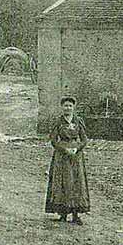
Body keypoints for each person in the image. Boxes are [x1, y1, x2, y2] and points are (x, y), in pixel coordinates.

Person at [44, 96, 90, 225]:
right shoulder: (58, 122)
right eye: (65, 106)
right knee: (62, 183)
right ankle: (63, 214)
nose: (68, 108)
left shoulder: (78, 121)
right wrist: (64, 149)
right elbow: (53, 140)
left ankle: (75, 214)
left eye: (70, 106)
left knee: (76, 183)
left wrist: (77, 148)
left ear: (74, 107)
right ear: (62, 107)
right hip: (62, 157)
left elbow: (84, 139)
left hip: (76, 157)